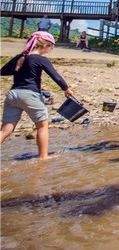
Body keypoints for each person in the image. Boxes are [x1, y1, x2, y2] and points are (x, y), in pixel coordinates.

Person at [1, 31, 74, 159]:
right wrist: (66, 89)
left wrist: (21, 71)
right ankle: (43, 156)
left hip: (13, 95)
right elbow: (55, 76)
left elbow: (3, 71)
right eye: (50, 47)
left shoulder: (19, 57)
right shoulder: (41, 59)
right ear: (44, 46)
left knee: (5, 130)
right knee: (42, 126)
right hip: (30, 95)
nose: (50, 50)